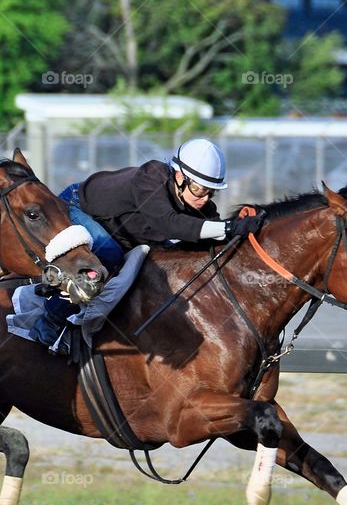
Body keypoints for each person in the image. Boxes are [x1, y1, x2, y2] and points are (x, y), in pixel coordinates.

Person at [34, 138, 263, 351]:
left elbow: (214, 237)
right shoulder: (151, 177)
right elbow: (171, 225)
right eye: (199, 189)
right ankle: (49, 322)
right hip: (76, 207)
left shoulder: (199, 203)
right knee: (110, 255)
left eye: (210, 192)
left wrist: (246, 227)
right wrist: (228, 227)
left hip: (118, 234)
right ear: (180, 177)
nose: (204, 198)